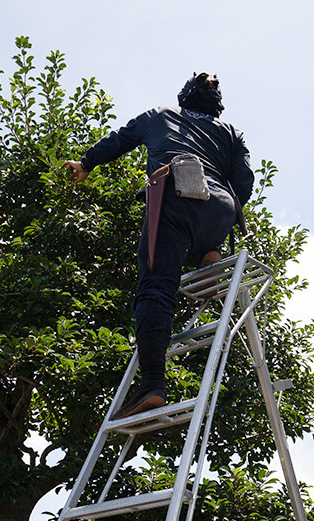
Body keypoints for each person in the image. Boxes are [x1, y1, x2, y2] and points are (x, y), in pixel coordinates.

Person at [62, 72, 254, 419]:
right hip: (221, 207)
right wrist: (221, 215)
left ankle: (151, 384)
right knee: (204, 225)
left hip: (174, 196)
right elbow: (245, 181)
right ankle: (207, 253)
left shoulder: (159, 116)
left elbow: (118, 140)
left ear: (185, 96)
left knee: (155, 287)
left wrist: (85, 163)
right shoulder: (230, 133)